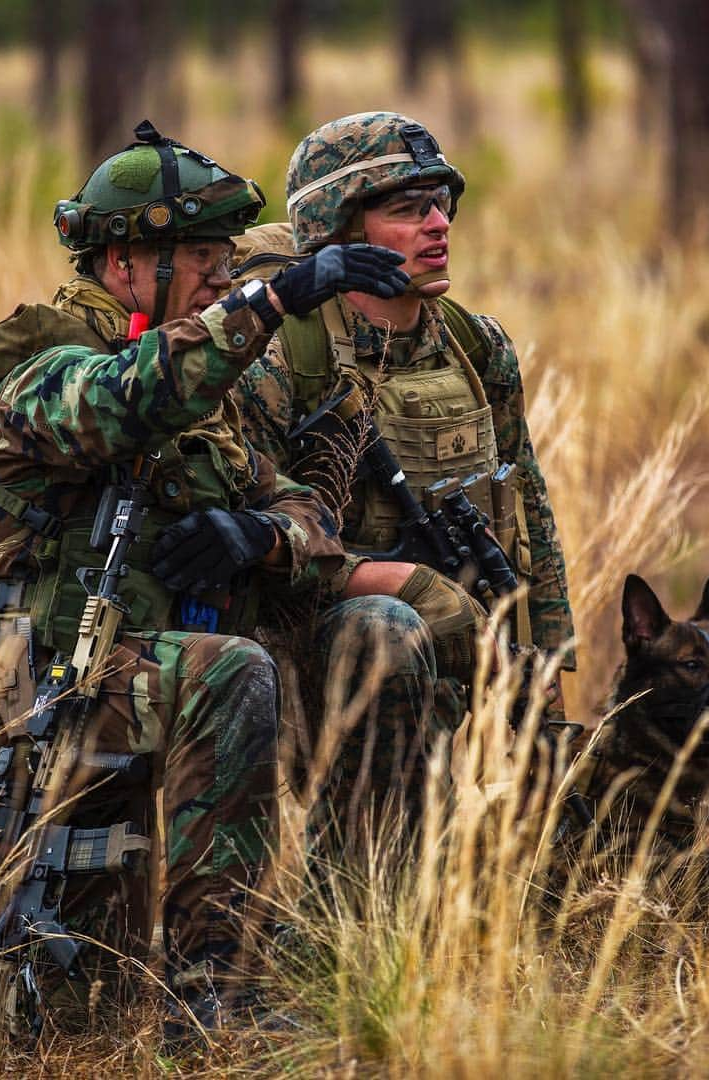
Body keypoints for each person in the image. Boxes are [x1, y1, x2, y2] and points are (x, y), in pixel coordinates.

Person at [0, 122, 416, 1041]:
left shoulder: (195, 389)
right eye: (199, 257)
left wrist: (256, 532)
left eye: (231, 258)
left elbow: (310, 515)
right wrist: (278, 297)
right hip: (29, 691)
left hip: (131, 676)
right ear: (122, 265)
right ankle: (210, 1000)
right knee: (229, 673)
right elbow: (128, 398)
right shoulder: (48, 369)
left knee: (377, 628)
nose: (223, 275)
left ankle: (367, 934)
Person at [231, 112, 576, 862]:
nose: (438, 224)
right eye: (406, 208)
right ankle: (359, 912)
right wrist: (400, 584)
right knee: (385, 629)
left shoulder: (475, 344)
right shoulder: (284, 359)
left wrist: (548, 663)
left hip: (472, 635)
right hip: (312, 651)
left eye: (442, 202)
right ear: (340, 231)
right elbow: (247, 537)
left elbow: (531, 513)